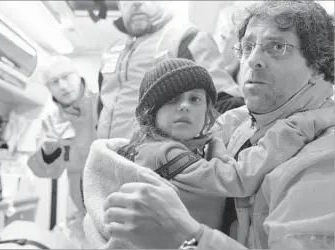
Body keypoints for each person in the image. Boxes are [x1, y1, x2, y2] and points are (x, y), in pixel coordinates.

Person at [101, 1, 335, 249]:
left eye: (277, 46)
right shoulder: (240, 122)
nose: (253, 59)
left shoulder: (323, 161)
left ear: (318, 68)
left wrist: (187, 238)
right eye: (247, 47)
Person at [96, 1, 245, 140]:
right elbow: (104, 107)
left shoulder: (186, 38)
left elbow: (225, 101)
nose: (136, 3)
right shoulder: (112, 49)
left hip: (156, 161)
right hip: (107, 157)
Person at [27, 56, 98, 248]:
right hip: (84, 215)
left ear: (78, 76)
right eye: (54, 82)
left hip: (113, 208)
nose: (62, 86)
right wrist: (48, 150)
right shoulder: (53, 123)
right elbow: (47, 171)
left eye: (66, 76)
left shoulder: (104, 107)